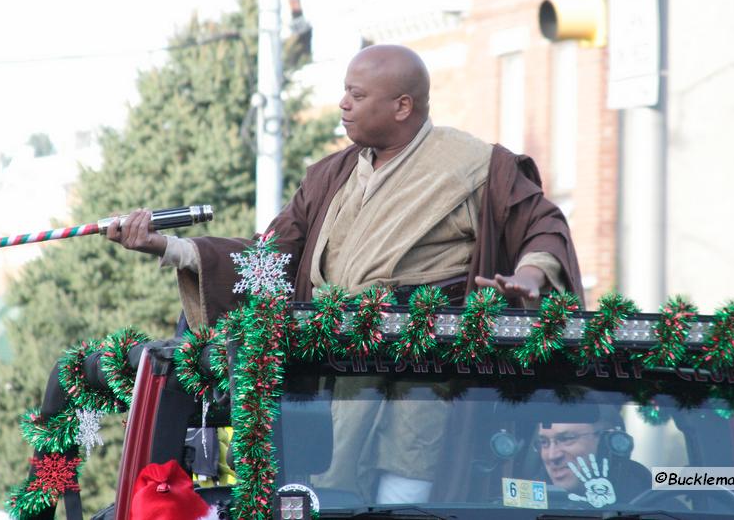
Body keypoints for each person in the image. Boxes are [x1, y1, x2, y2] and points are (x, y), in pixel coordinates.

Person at [107, 44, 585, 501]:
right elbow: (270, 257)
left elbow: (542, 225)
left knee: (405, 489)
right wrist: (170, 246)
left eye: (357, 94)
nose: (342, 103)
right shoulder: (329, 175)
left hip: (424, 371)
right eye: (345, 91)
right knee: (324, 491)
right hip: (331, 370)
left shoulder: (477, 165)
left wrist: (532, 274)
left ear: (402, 106)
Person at [534, 415, 651, 508]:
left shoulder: (650, 501)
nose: (552, 456)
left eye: (566, 439)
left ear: (606, 444)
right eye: (544, 442)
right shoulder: (527, 500)